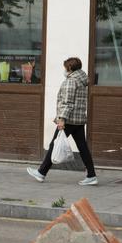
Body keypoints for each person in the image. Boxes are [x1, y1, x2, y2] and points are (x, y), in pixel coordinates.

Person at [27, 57, 97, 185]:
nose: (64, 70)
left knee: (54, 144)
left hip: (69, 119)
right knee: (82, 147)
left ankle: (41, 173)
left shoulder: (71, 81)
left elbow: (67, 102)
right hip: (78, 119)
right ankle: (91, 175)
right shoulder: (81, 80)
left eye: (65, 67)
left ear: (69, 68)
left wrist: (61, 119)